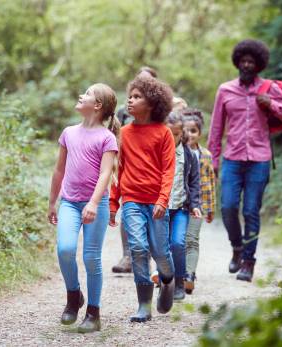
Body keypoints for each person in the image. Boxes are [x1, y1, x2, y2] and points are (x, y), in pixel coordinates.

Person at [208, 39, 282, 282]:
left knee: (251, 211)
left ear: (258, 65)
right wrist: (212, 161)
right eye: (243, 61)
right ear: (238, 62)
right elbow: (216, 128)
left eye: (252, 62)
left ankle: (248, 261)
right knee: (227, 207)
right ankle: (236, 247)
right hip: (232, 159)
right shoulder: (225, 90)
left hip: (259, 159)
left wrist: (272, 105)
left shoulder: (269, 88)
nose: (247, 65)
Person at [48, 83, 119, 333]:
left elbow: (105, 174)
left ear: (97, 106)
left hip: (94, 206)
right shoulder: (69, 132)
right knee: (65, 249)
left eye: (87, 94)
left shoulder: (107, 138)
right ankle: (74, 296)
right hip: (69, 201)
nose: (81, 96)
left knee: (91, 258)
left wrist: (94, 202)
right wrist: (52, 202)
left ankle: (93, 313)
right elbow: (59, 170)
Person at [109, 74, 176, 323]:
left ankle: (168, 280)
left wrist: (162, 199)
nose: (130, 100)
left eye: (137, 97)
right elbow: (119, 169)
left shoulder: (163, 133)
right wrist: (114, 203)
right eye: (130, 96)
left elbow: (169, 169)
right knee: (138, 249)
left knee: (160, 252)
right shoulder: (124, 133)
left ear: (152, 104)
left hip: (156, 202)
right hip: (132, 201)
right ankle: (144, 305)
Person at [112, 66, 158, 273]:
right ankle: (127, 256)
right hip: (128, 166)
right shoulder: (124, 111)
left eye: (147, 81)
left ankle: (144, 257)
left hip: (150, 168)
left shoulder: (159, 111)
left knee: (148, 213)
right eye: (138, 80)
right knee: (128, 209)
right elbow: (115, 137)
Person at [164, 111, 202, 301]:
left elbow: (194, 182)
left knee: (178, 243)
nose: (172, 137)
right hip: (160, 209)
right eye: (169, 133)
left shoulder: (189, 155)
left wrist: (195, 204)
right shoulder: (157, 152)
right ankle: (166, 281)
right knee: (161, 247)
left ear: (182, 134)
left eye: (177, 134)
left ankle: (180, 282)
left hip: (180, 208)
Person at [182, 108, 216, 294]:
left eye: (193, 131)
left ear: (200, 133)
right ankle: (172, 274)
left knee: (192, 240)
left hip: (199, 206)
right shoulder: (177, 152)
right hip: (179, 204)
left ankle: (189, 274)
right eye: (186, 130)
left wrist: (210, 208)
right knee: (178, 240)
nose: (190, 134)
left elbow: (210, 182)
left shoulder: (206, 155)